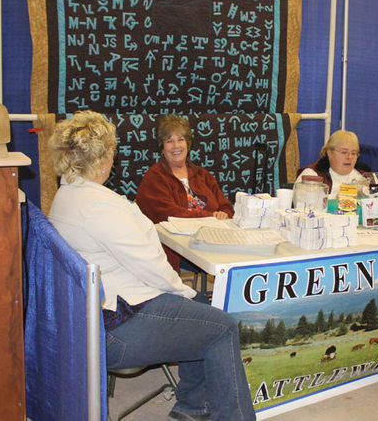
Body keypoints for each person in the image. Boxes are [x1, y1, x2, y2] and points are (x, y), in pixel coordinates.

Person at [47, 111, 256, 421]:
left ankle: (195, 404)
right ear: (105, 158)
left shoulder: (66, 195)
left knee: (200, 308)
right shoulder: (99, 205)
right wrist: (179, 290)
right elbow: (149, 264)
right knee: (221, 326)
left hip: (92, 317)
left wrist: (183, 294)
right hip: (116, 330)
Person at [136, 114, 233, 270]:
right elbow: (170, 215)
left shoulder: (202, 175)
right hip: (175, 250)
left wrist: (223, 213)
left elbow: (226, 206)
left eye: (180, 140)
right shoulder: (154, 177)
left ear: (188, 143)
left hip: (212, 242)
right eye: (169, 141)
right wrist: (211, 216)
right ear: (162, 147)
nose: (176, 146)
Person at [295, 129, 371, 196]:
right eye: (344, 152)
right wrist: (336, 198)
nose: (349, 157)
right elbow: (303, 204)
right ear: (330, 153)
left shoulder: (364, 176)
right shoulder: (312, 174)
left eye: (353, 153)